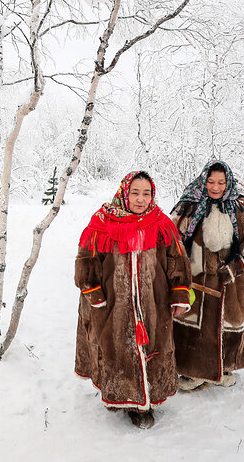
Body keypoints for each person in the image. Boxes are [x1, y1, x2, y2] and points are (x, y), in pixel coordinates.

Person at [74, 171, 192, 429]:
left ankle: (146, 401)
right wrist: (95, 295)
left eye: (146, 193)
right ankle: (123, 398)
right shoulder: (102, 223)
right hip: (113, 305)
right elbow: (86, 261)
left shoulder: (160, 223)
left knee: (153, 348)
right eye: (135, 193)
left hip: (154, 304)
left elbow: (177, 260)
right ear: (124, 193)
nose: (141, 199)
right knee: (116, 350)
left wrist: (179, 294)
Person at [169, 160, 244, 391]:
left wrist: (236, 266)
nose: (215, 187)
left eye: (221, 182)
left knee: (226, 321)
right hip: (196, 282)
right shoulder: (187, 207)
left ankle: (224, 368)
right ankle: (193, 371)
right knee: (195, 324)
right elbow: (172, 240)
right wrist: (183, 269)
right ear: (203, 180)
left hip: (232, 284)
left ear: (228, 182)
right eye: (211, 181)